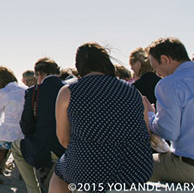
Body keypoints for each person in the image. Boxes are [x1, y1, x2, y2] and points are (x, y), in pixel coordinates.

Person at [50, 43, 152, 193]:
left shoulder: (68, 92)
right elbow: (146, 133)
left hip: (91, 171)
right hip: (138, 169)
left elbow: (64, 140)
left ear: (79, 66)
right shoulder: (133, 91)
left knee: (59, 175)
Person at [145, 37, 194, 183]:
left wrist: (150, 116)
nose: (157, 74)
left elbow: (169, 131)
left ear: (165, 59)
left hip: (193, 167)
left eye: (155, 67)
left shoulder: (168, 84)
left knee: (133, 166)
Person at [12, 58, 64, 193]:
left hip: (43, 147)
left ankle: (33, 189)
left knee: (16, 148)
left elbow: (26, 123)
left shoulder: (34, 91)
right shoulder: (70, 89)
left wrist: (31, 136)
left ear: (40, 74)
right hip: (66, 146)